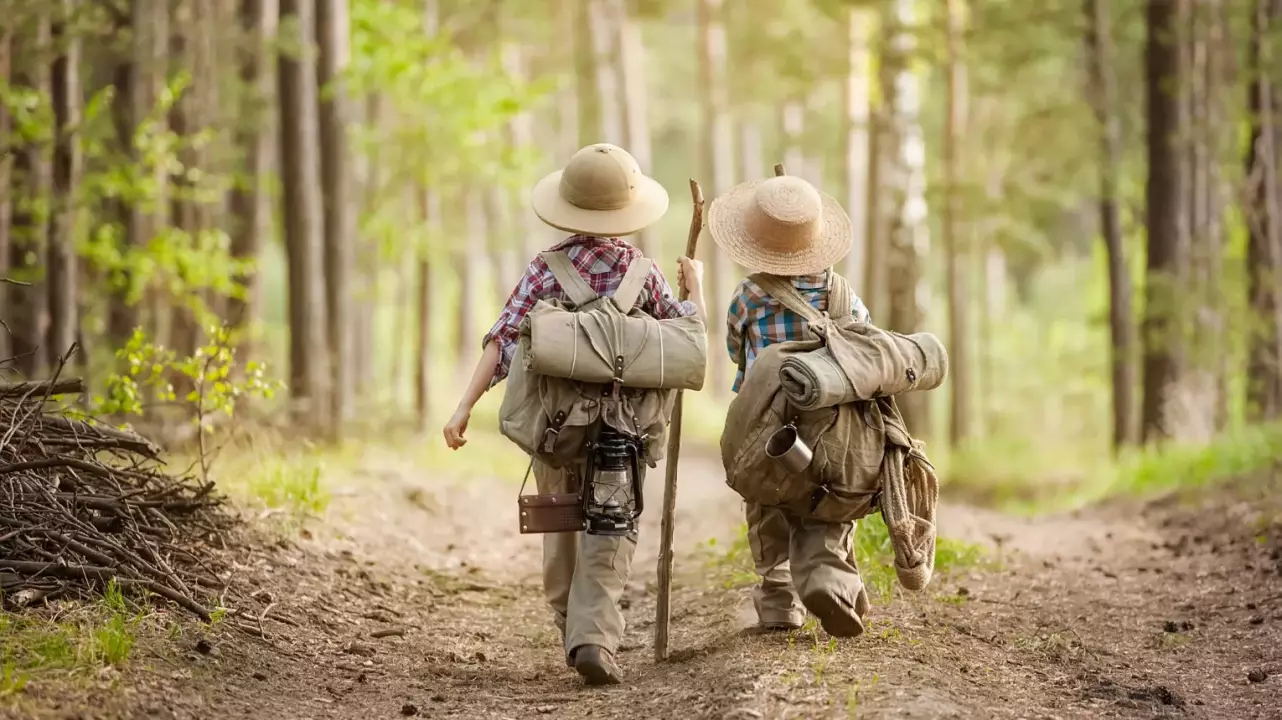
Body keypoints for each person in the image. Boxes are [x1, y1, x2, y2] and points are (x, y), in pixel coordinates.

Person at [443, 143, 706, 684]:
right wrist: (695, 290)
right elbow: (686, 344)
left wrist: (463, 406)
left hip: (554, 427)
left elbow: (501, 342)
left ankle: (569, 619)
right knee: (612, 529)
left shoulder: (545, 269)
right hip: (623, 430)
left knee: (560, 522)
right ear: (627, 212)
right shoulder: (646, 274)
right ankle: (593, 637)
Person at [709, 173, 873, 635]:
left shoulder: (749, 296)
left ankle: (780, 596)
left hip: (771, 423)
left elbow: (736, 353)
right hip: (836, 424)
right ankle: (828, 576)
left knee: (767, 500)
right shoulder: (844, 295)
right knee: (829, 499)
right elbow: (863, 347)